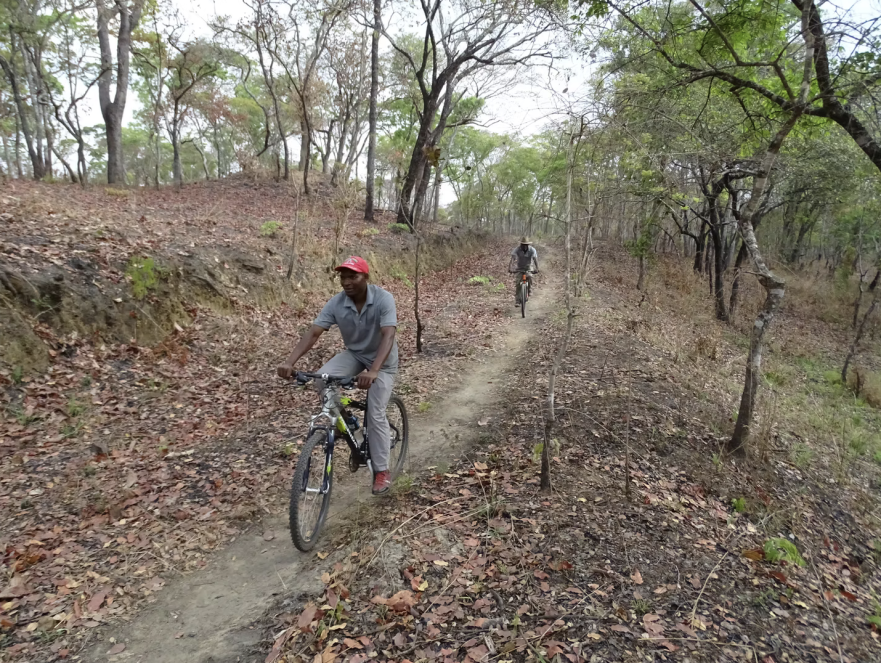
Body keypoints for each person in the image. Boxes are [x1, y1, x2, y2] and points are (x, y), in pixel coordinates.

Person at [277, 256, 398, 495]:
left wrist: (374, 370)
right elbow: (314, 332)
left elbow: (388, 335)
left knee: (375, 413)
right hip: (355, 355)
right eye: (343, 277)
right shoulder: (337, 303)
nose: (346, 282)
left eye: (353, 276)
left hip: (382, 363)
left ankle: (382, 470)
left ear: (366, 277)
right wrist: (290, 362)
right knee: (321, 379)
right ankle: (349, 422)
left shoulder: (383, 299)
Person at [509, 236, 539, 305]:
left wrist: (537, 268)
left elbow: (535, 259)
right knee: (518, 283)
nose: (525, 246)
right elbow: (512, 258)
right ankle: (517, 300)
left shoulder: (532, 250)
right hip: (519, 267)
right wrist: (510, 268)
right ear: (521, 244)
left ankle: (529, 290)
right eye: (523, 245)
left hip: (529, 267)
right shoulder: (517, 249)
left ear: (528, 245)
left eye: (526, 245)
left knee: (530, 276)